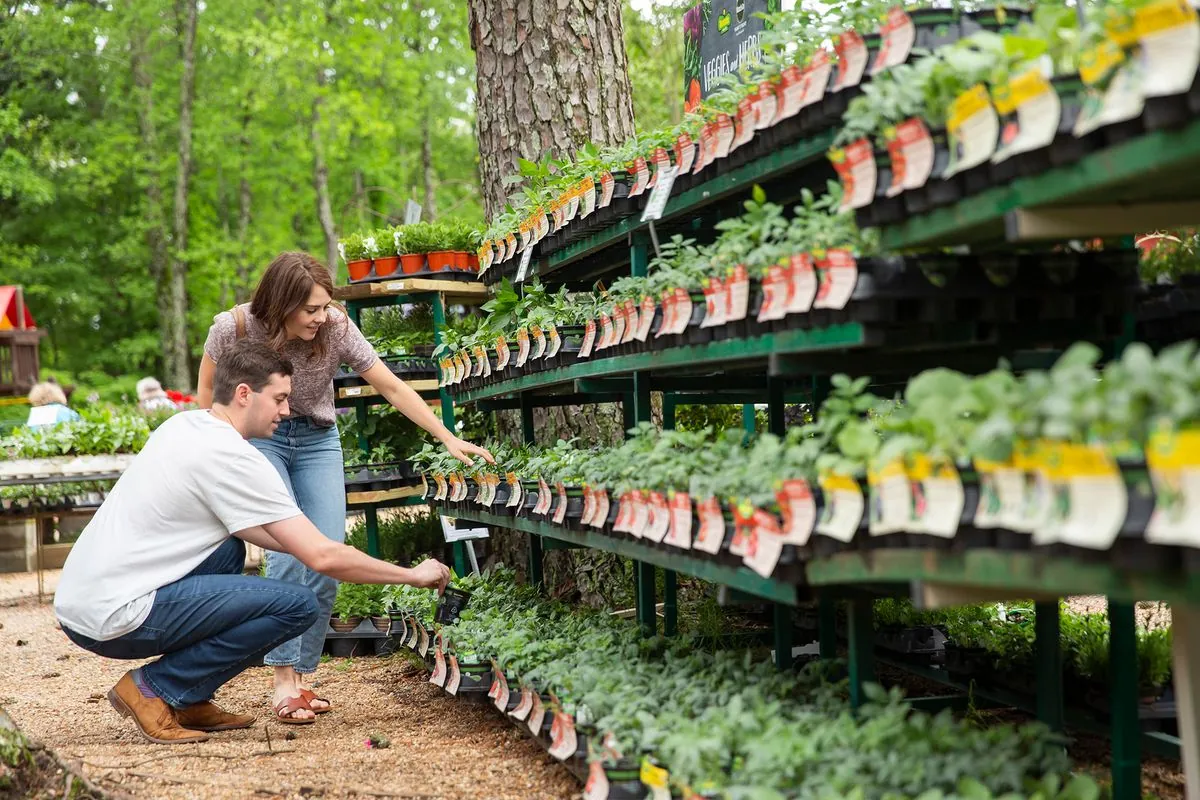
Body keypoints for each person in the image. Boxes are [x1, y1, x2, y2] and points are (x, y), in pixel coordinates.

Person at [54, 341, 452, 743]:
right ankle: (153, 688)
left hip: (83, 601)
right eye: (279, 398)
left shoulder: (185, 426)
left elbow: (261, 533)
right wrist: (410, 575)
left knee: (228, 550)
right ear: (244, 393)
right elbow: (323, 556)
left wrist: (306, 545)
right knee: (298, 606)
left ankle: (188, 697)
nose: (286, 410)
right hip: (114, 616)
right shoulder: (233, 456)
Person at [196, 252, 492, 722]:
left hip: (316, 438)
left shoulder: (335, 327)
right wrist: (212, 462)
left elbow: (391, 386)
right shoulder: (234, 328)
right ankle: (282, 679)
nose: (321, 317)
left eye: (324, 307)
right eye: (309, 309)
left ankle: (302, 674)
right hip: (259, 438)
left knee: (329, 549)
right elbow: (206, 396)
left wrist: (447, 436)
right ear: (281, 303)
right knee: (289, 550)